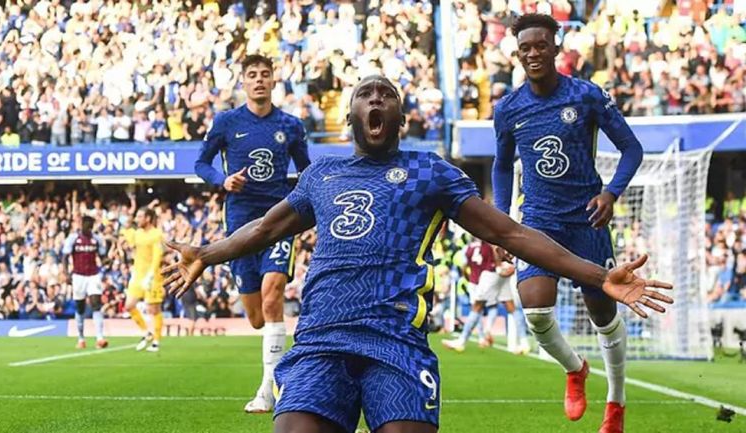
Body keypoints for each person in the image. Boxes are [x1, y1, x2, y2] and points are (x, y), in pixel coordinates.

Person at [163, 75, 672, 433]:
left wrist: (596, 274)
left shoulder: (430, 171)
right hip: (320, 341)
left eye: (386, 95)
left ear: (401, 118)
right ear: (350, 116)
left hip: (397, 346)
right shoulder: (321, 174)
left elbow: (511, 235)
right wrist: (207, 253)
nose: (376, 100)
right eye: (366, 94)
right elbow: (266, 226)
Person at [491, 14, 646, 433]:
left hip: (587, 220)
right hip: (538, 222)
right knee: (537, 313)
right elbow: (502, 167)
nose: (533, 53)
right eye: (525, 48)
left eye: (541, 45)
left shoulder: (587, 96)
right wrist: (503, 219)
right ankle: (575, 369)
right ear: (518, 54)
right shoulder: (508, 109)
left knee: (604, 314)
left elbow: (632, 149)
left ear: (556, 48)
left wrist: (610, 193)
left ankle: (616, 404)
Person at [194, 54, 310, 413]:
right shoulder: (227, 122)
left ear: (274, 81)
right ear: (242, 82)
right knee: (257, 316)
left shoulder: (290, 125)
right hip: (240, 226)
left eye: (265, 74)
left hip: (279, 221)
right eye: (252, 75)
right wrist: (222, 180)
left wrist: (309, 212)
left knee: (273, 296)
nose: (259, 80)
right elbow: (201, 163)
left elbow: (306, 171)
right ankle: (274, 369)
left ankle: (268, 390)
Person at [120, 207, 164, 353]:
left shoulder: (157, 234)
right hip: (138, 276)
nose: (137, 219)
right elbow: (128, 239)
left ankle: (157, 341)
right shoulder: (138, 233)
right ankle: (147, 333)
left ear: (148, 218)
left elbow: (158, 255)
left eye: (140, 217)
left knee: (153, 309)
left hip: (152, 277)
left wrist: (151, 275)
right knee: (129, 305)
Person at [63, 216, 107, 349]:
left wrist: (107, 261)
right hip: (78, 276)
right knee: (80, 307)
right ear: (81, 225)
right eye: (87, 225)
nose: (89, 228)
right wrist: (66, 273)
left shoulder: (97, 239)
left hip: (93, 274)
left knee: (96, 303)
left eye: (90, 226)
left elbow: (102, 257)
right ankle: (81, 338)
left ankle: (100, 337)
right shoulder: (73, 239)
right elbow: (65, 256)